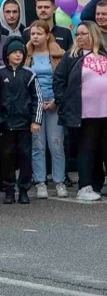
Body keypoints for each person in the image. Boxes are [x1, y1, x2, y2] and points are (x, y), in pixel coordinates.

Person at [53, 22, 107, 201]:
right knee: (87, 149)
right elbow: (59, 80)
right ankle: (86, 186)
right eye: (77, 34)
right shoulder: (72, 56)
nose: (79, 37)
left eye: (84, 33)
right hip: (85, 114)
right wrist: (65, 102)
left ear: (93, 34)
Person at [25, 21, 66, 199]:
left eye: (39, 33)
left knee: (56, 144)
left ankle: (59, 181)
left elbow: (63, 80)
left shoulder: (58, 54)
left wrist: (56, 101)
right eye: (33, 34)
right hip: (35, 106)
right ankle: (40, 182)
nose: (35, 37)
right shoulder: (26, 55)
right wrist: (34, 104)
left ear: (47, 35)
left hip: (53, 103)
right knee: (37, 145)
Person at [0, 38, 42, 203]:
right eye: (14, 52)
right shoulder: (1, 73)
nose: (18, 55)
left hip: (25, 125)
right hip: (5, 124)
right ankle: (9, 190)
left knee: (25, 156)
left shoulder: (29, 74)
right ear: (7, 54)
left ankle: (24, 189)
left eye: (21, 52)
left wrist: (36, 121)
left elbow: (37, 98)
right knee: (6, 156)